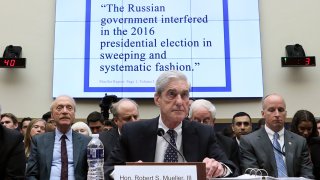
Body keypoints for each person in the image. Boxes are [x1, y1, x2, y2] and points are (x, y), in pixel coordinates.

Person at [105, 71, 239, 179]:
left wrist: (219, 168)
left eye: (184, 95)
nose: (179, 102)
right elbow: (108, 170)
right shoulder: (133, 131)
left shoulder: (203, 132)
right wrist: (128, 173)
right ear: (157, 99)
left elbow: (231, 168)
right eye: (172, 94)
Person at [239, 93, 314, 178]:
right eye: (271, 110)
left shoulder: (300, 141)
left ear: (285, 113)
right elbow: (253, 175)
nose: (277, 114)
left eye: (281, 110)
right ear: (263, 114)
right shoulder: (249, 141)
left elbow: (307, 175)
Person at [26, 95, 91, 179]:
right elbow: (31, 174)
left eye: (69, 108)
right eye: (59, 108)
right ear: (52, 115)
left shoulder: (87, 141)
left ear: (74, 114)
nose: (64, 111)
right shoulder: (39, 141)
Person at [189, 99, 240, 172]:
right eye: (197, 121)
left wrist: (222, 170)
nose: (201, 125)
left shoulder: (228, 143)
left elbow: (236, 170)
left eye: (206, 121)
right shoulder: (183, 139)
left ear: (213, 122)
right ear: (190, 121)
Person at [290, 109, 320, 179]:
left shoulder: (317, 144)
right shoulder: (289, 144)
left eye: (309, 129)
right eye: (302, 128)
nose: (306, 132)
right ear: (296, 127)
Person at [0, 105, 26, 179]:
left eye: (7, 122)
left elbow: (15, 176)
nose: (4, 125)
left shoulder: (13, 139)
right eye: (3, 123)